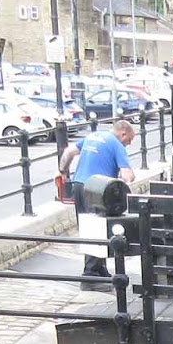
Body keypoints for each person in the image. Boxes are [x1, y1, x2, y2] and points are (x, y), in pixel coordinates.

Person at [59, 118, 136, 286]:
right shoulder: (116, 145)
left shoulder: (93, 136)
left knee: (89, 228)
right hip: (98, 190)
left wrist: (63, 172)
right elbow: (127, 175)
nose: (128, 144)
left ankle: (100, 269)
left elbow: (68, 152)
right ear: (122, 134)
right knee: (97, 230)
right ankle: (90, 275)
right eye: (129, 140)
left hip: (79, 186)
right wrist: (127, 180)